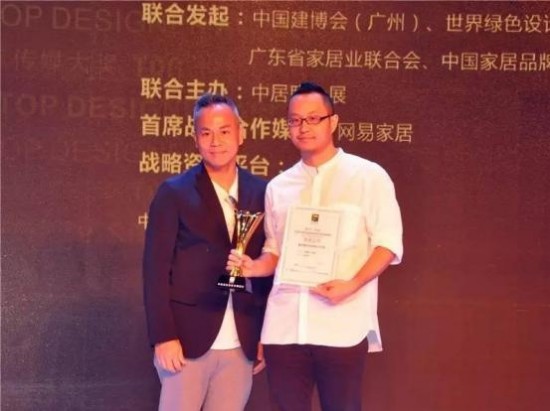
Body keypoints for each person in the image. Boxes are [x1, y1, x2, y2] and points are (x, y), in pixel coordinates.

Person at [227, 82, 403, 411]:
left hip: (341, 325)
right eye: (295, 120)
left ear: (332, 122)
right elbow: (274, 251)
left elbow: (388, 244)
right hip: (285, 328)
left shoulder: (368, 177)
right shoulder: (279, 187)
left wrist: (352, 284)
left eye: (312, 118)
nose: (303, 127)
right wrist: (254, 267)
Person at [143, 93, 272, 411]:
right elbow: (155, 271)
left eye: (224, 131)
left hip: (241, 339)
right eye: (206, 133)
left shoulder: (262, 192)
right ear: (195, 139)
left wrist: (264, 334)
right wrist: (163, 336)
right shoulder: (174, 192)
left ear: (241, 133)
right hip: (186, 341)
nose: (216, 142)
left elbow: (269, 271)